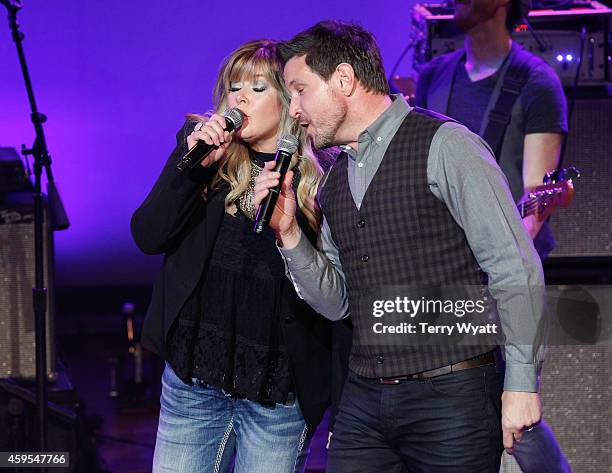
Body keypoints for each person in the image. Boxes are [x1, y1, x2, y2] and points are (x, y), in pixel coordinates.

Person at [254, 21, 546, 472]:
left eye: (299, 90)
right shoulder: (335, 180)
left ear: (345, 80)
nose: (293, 109)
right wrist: (289, 234)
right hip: (366, 399)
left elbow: (513, 267)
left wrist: (522, 383)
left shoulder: (447, 146)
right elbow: (338, 304)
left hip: (452, 395)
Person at [131, 39, 331, 473]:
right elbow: (148, 235)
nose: (239, 98)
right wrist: (191, 169)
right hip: (194, 381)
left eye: (257, 88)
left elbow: (329, 291)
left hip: (275, 394)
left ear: (291, 99)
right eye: (232, 86)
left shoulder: (319, 179)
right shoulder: (203, 156)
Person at [415, 1, 570, 471]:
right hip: (434, 273)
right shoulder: (434, 74)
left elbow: (532, 210)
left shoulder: (536, 82)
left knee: (504, 406)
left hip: (494, 279)